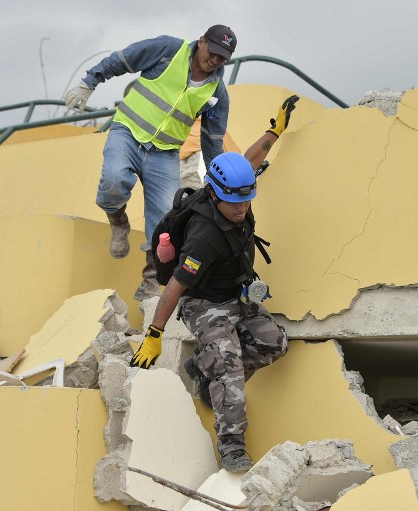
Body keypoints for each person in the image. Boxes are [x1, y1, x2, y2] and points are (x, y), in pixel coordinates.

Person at [129, 95, 300, 473]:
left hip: (237, 293)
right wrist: (154, 334)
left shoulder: (235, 188)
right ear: (215, 193)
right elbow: (175, 286)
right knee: (229, 367)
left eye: (247, 199)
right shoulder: (204, 236)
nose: (242, 208)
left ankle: (199, 367)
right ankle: (232, 444)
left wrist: (274, 132)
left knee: (275, 343)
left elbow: (249, 162)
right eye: (234, 202)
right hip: (203, 302)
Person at [64, 25, 237, 301]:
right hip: (128, 132)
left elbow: (212, 141)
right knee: (113, 181)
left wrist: (218, 181)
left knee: (167, 221)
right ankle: (118, 220)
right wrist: (89, 82)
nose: (214, 60)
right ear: (202, 41)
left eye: (222, 57)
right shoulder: (170, 50)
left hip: (165, 154)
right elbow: (124, 59)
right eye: (212, 51)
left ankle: (150, 281)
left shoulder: (217, 93)